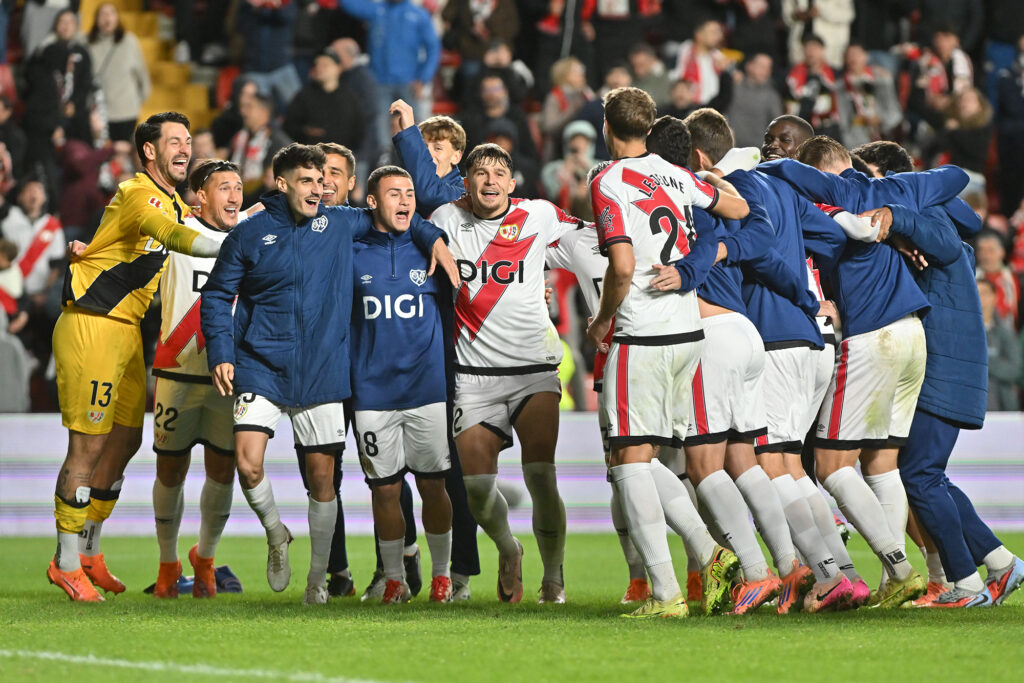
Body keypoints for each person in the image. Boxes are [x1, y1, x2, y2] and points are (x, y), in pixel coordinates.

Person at [200, 143, 454, 605]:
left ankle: (317, 581)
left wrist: (432, 236)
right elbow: (217, 296)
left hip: (322, 370)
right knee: (247, 462)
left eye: (322, 181)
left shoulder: (340, 222)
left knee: (322, 480)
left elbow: (396, 216)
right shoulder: (250, 234)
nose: (320, 189)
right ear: (282, 184)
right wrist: (222, 351)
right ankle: (277, 534)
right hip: (261, 366)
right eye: (308, 181)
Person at [776, 138, 1023, 608]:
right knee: (916, 472)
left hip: (938, 362)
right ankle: (997, 561)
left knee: (917, 474)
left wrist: (897, 216)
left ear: (885, 177)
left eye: (868, 176)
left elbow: (951, 226)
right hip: (932, 355)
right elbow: (954, 188)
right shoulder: (928, 212)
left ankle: (952, 581)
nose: (862, 188)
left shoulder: (923, 217)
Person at [586, 87, 749, 618]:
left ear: (607, 127)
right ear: (651, 124)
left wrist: (603, 318)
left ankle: (665, 593)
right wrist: (704, 182)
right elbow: (737, 206)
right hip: (687, 330)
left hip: (643, 330)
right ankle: (707, 552)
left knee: (627, 461)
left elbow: (625, 266)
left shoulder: (608, 180)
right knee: (648, 457)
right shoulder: (673, 172)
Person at [48, 112, 224, 602]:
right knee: (86, 447)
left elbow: (193, 224)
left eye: (188, 140)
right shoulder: (139, 193)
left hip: (126, 331)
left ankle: (89, 552)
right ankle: (64, 561)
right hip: (93, 323)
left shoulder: (171, 200)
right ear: (150, 151)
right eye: (174, 141)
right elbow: (171, 235)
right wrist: (230, 251)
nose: (184, 148)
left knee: (124, 441)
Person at [430, 143, 582, 604]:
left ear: (512, 184)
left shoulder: (538, 215)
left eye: (499, 173)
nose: (490, 180)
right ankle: (507, 547)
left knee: (541, 478)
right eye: (480, 172)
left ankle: (553, 577)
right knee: (476, 492)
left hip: (533, 370)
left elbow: (594, 238)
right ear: (467, 183)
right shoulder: (445, 221)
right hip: (473, 376)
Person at [350, 165, 456, 603]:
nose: (406, 200)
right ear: (372, 201)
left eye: (410, 193)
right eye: (394, 193)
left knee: (434, 485)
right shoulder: (351, 251)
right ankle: (394, 578)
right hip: (372, 392)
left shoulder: (429, 246)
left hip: (426, 390)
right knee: (385, 489)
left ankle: (442, 576)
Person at [149, 160, 246, 598]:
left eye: (239, 187)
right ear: (200, 195)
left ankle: (205, 560)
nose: (233, 195)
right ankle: (169, 562)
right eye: (223, 187)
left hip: (228, 376)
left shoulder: (250, 235)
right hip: (177, 373)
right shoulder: (173, 231)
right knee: (171, 469)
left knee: (222, 471)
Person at [339, 0, 440, 155]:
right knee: (379, 129)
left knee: (414, 127)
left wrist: (423, 78)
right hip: (379, 82)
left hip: (408, 82)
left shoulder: (418, 15)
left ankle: (418, 165)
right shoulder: (377, 10)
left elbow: (433, 48)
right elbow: (350, 5)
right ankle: (383, 163)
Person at [87, 3, 151, 143]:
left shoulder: (129, 41)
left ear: (117, 18)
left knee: (121, 150)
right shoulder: (88, 43)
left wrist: (139, 100)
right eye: (103, 14)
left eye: (111, 13)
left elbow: (142, 74)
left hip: (126, 109)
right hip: (99, 109)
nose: (107, 18)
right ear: (96, 19)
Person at [283, 49, 365, 150]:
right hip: (311, 156)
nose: (319, 68)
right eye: (317, 65)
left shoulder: (350, 97)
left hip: (343, 156)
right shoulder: (304, 95)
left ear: (338, 68)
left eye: (325, 65)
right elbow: (289, 126)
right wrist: (306, 131)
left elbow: (360, 129)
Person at [229, 94, 292, 204]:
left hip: (261, 203)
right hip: (238, 198)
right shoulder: (239, 137)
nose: (243, 112)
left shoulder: (278, 142)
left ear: (264, 112)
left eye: (249, 107)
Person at [726, 54, 784, 149]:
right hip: (731, 149)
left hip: (758, 152)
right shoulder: (733, 87)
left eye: (769, 68)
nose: (766, 71)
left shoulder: (772, 96)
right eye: (761, 66)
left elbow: (778, 126)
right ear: (749, 66)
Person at [981, 278, 1021, 412]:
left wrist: (981, 361)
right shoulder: (962, 332)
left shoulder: (1005, 332)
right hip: (971, 406)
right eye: (976, 292)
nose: (980, 298)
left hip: (1003, 407)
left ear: (995, 297)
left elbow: (1015, 370)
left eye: (984, 293)